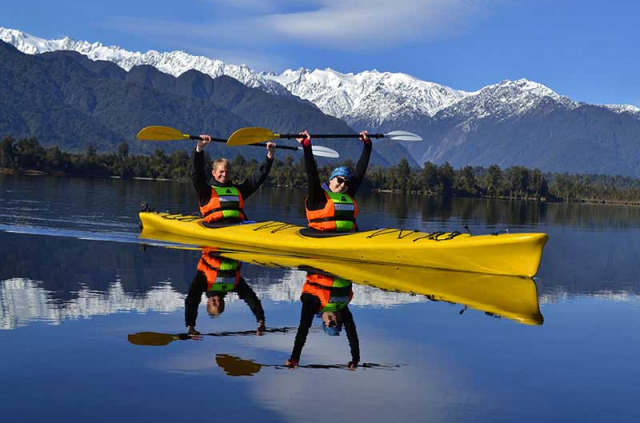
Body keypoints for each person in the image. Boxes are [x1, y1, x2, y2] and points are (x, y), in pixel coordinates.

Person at [191, 135, 276, 226]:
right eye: (221, 171)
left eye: (227, 172)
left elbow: (258, 177)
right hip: (215, 226)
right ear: (213, 172)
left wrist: (270, 155)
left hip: (238, 226)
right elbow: (197, 173)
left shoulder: (238, 191)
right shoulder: (205, 192)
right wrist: (199, 148)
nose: (224, 174)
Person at [296, 130, 371, 232]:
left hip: (345, 238)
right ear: (331, 179)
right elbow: (312, 174)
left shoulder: (346, 194)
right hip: (319, 238)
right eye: (339, 180)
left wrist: (367, 145)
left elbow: (359, 173)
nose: (343, 185)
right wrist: (306, 147)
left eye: (347, 182)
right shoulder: (317, 196)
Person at [285, 270, 360, 370]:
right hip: (342, 274)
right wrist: (355, 358)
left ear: (324, 322)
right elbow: (352, 333)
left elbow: (303, 330)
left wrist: (294, 358)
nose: (335, 319)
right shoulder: (341, 309)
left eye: (332, 323)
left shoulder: (312, 305)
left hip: (321, 271)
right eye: (338, 323)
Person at [185, 248, 266, 336]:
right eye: (221, 305)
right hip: (233, 251)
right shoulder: (233, 285)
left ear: (208, 302)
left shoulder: (204, 283)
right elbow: (251, 299)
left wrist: (190, 325)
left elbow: (192, 301)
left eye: (214, 304)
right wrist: (261, 321)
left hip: (213, 249)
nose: (218, 302)